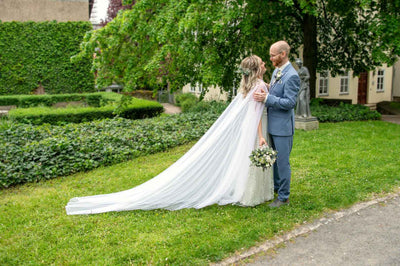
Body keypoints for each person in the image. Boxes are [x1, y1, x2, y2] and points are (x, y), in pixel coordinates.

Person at [66, 55, 273, 215]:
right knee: (250, 162)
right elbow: (255, 115)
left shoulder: (246, 87)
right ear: (256, 69)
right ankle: (251, 196)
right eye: (263, 63)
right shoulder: (260, 86)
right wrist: (261, 136)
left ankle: (249, 193)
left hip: (249, 130)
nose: (265, 65)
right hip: (256, 130)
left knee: (246, 161)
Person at [253, 41, 300, 208]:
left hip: (283, 128)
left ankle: (284, 197)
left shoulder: (292, 76)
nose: (270, 58)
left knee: (282, 162)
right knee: (274, 161)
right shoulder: (276, 71)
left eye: (273, 55)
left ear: (283, 54)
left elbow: (289, 102)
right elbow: (275, 90)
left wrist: (267, 98)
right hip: (272, 124)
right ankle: (277, 188)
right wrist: (264, 87)